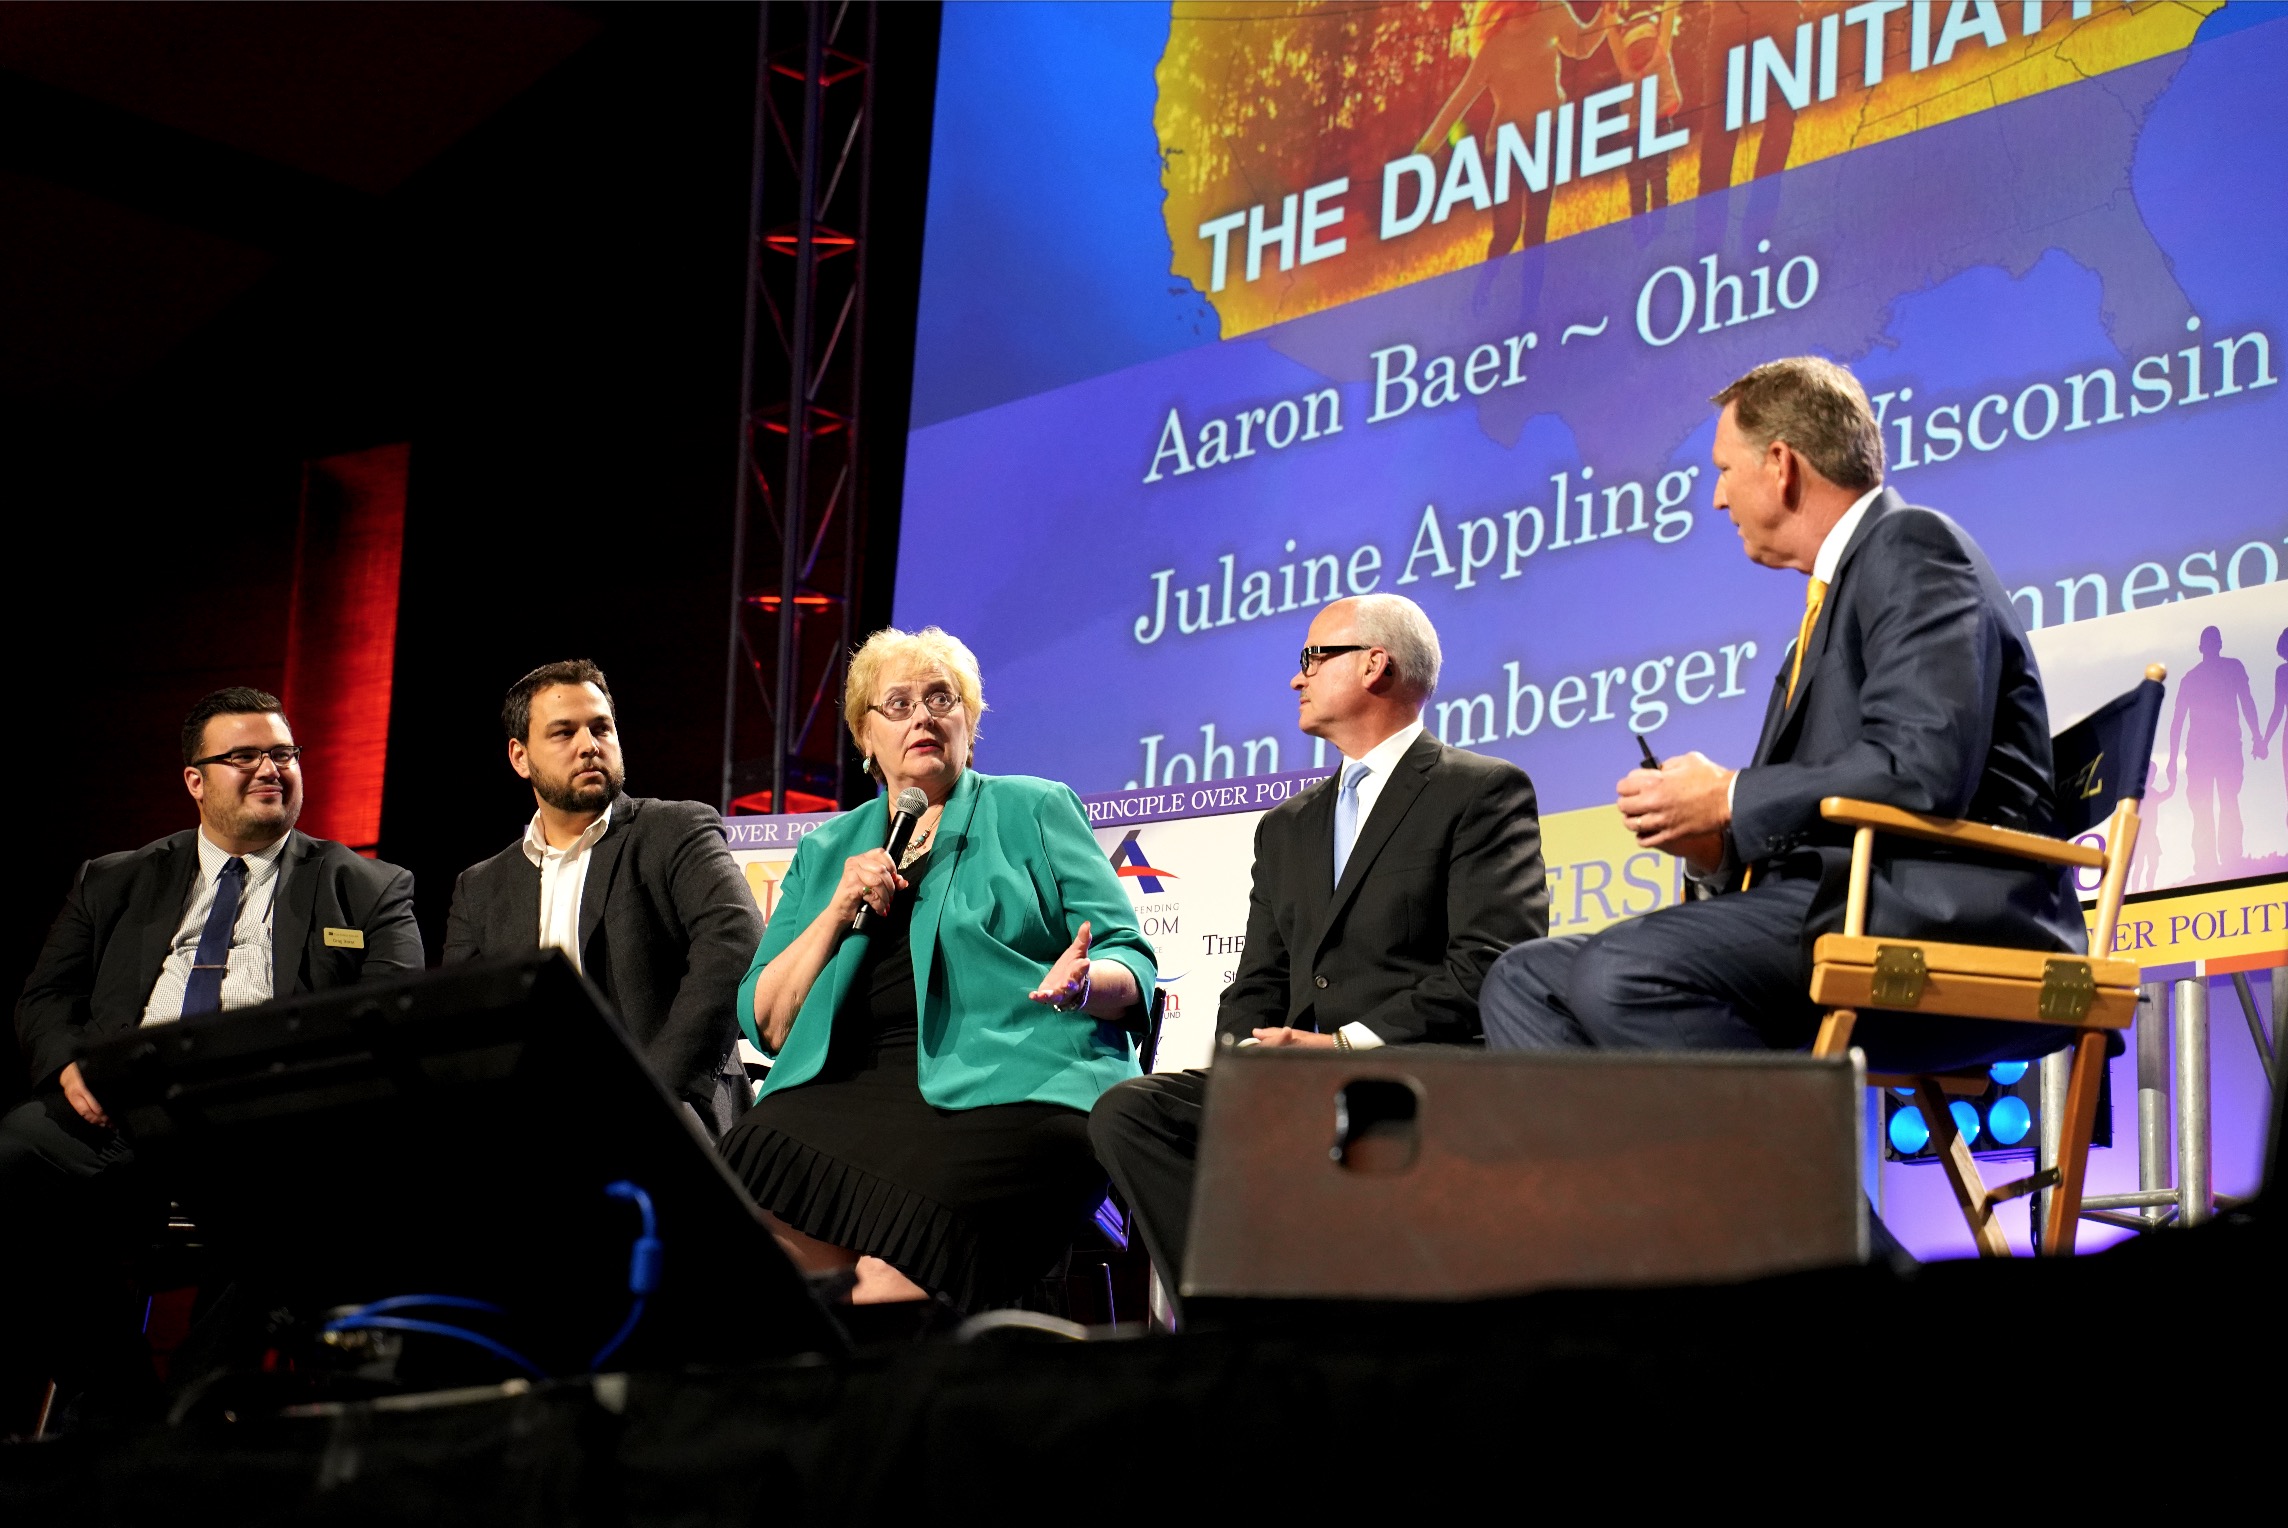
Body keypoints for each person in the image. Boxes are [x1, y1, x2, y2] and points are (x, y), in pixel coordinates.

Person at [1479, 356, 2087, 1076]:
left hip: (1941, 911)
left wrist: (1730, 796)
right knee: (1522, 982)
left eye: (1723, 471)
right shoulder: (1821, 615)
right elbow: (1815, 802)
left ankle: (1809, 1190)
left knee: (1625, 971)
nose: (1714, 500)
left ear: (1781, 464)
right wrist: (1712, 841)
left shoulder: (1912, 546)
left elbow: (1923, 770)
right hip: (1842, 897)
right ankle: (1635, 1192)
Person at [1089, 594, 1547, 1303]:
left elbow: (1491, 962)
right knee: (1131, 1113)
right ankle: (1229, 1314)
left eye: (1312, 657)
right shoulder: (1287, 827)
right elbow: (1256, 981)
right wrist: (1248, 1066)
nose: (1296, 679)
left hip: (1407, 1074)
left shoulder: (1478, 791)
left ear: (1375, 664)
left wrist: (1342, 1049)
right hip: (1286, 1083)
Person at [4, 686, 422, 1411]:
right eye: (245, 755)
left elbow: (391, 1018)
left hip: (268, 1122)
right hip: (124, 1112)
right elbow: (44, 999)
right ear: (195, 780)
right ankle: (116, 1393)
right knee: (18, 1148)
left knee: (301, 1199)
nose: (272, 768)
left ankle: (191, 1415)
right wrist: (73, 1068)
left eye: (284, 754)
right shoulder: (113, 878)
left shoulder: (369, 887)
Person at [719, 627, 1157, 1311]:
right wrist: (836, 908)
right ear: (865, 737)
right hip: (847, 1091)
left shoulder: (1034, 808)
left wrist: (1083, 983)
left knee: (888, 1292)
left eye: (940, 699)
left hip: (1019, 1083)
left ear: (969, 722)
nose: (922, 716)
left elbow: (1129, 958)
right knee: (749, 1225)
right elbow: (768, 1022)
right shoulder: (827, 846)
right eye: (897, 704)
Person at [445, 660, 763, 1134]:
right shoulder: (482, 886)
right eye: (563, 733)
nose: (589, 746)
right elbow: (463, 1019)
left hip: (671, 1115)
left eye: (601, 728)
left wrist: (654, 1094)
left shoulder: (674, 829)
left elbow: (735, 944)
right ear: (519, 757)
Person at [2167, 625, 2264, 879]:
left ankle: (2224, 862)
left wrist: (2258, 736)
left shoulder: (2216, 672)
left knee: (2222, 804)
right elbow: (2177, 721)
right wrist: (2257, 737)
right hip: (2210, 750)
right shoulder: (2203, 675)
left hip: (2220, 748)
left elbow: (2247, 702)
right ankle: (2211, 864)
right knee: (2210, 806)